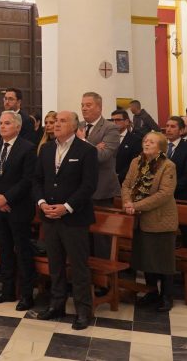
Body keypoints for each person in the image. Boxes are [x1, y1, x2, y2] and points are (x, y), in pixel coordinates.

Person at [33, 110, 98, 330]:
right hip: (49, 216)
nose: (56, 125)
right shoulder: (47, 149)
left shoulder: (86, 150)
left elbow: (89, 185)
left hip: (74, 218)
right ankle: (57, 305)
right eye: (55, 122)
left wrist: (67, 207)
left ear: (74, 125)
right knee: (55, 264)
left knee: (79, 266)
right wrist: (42, 203)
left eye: (62, 121)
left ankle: (82, 311)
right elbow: (38, 180)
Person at [0, 111, 36, 310]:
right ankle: (6, 290)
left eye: (7, 123)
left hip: (18, 208)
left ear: (17, 127)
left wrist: (7, 197)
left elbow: (27, 180)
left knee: (22, 251)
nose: (2, 126)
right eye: (0, 123)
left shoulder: (27, 148)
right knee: (4, 250)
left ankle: (26, 294)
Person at [123, 131, 178, 312]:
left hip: (161, 218)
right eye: (145, 141)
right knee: (146, 257)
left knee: (163, 259)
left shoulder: (168, 166)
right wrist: (127, 202)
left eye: (152, 142)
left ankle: (167, 296)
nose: (146, 144)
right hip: (140, 218)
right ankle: (152, 291)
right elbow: (126, 185)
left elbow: (164, 194)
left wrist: (137, 205)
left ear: (161, 147)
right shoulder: (135, 162)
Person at [78, 91, 120, 262]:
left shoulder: (111, 128)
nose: (84, 108)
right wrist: (95, 147)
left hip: (101, 189)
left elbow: (102, 157)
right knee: (83, 235)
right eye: (82, 105)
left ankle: (104, 281)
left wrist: (83, 142)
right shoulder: (78, 126)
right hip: (80, 189)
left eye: (88, 105)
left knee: (101, 237)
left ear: (99, 107)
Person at [168, 116, 187, 247]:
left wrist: (168, 189)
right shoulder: (159, 147)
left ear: (181, 131)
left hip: (182, 195)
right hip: (162, 198)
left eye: (172, 126)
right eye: (167, 126)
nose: (168, 129)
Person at [111, 109, 143, 186]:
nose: (114, 122)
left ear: (127, 122)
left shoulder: (136, 140)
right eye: (112, 120)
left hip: (124, 182)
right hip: (107, 181)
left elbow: (134, 163)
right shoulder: (107, 138)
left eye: (118, 120)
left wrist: (118, 177)